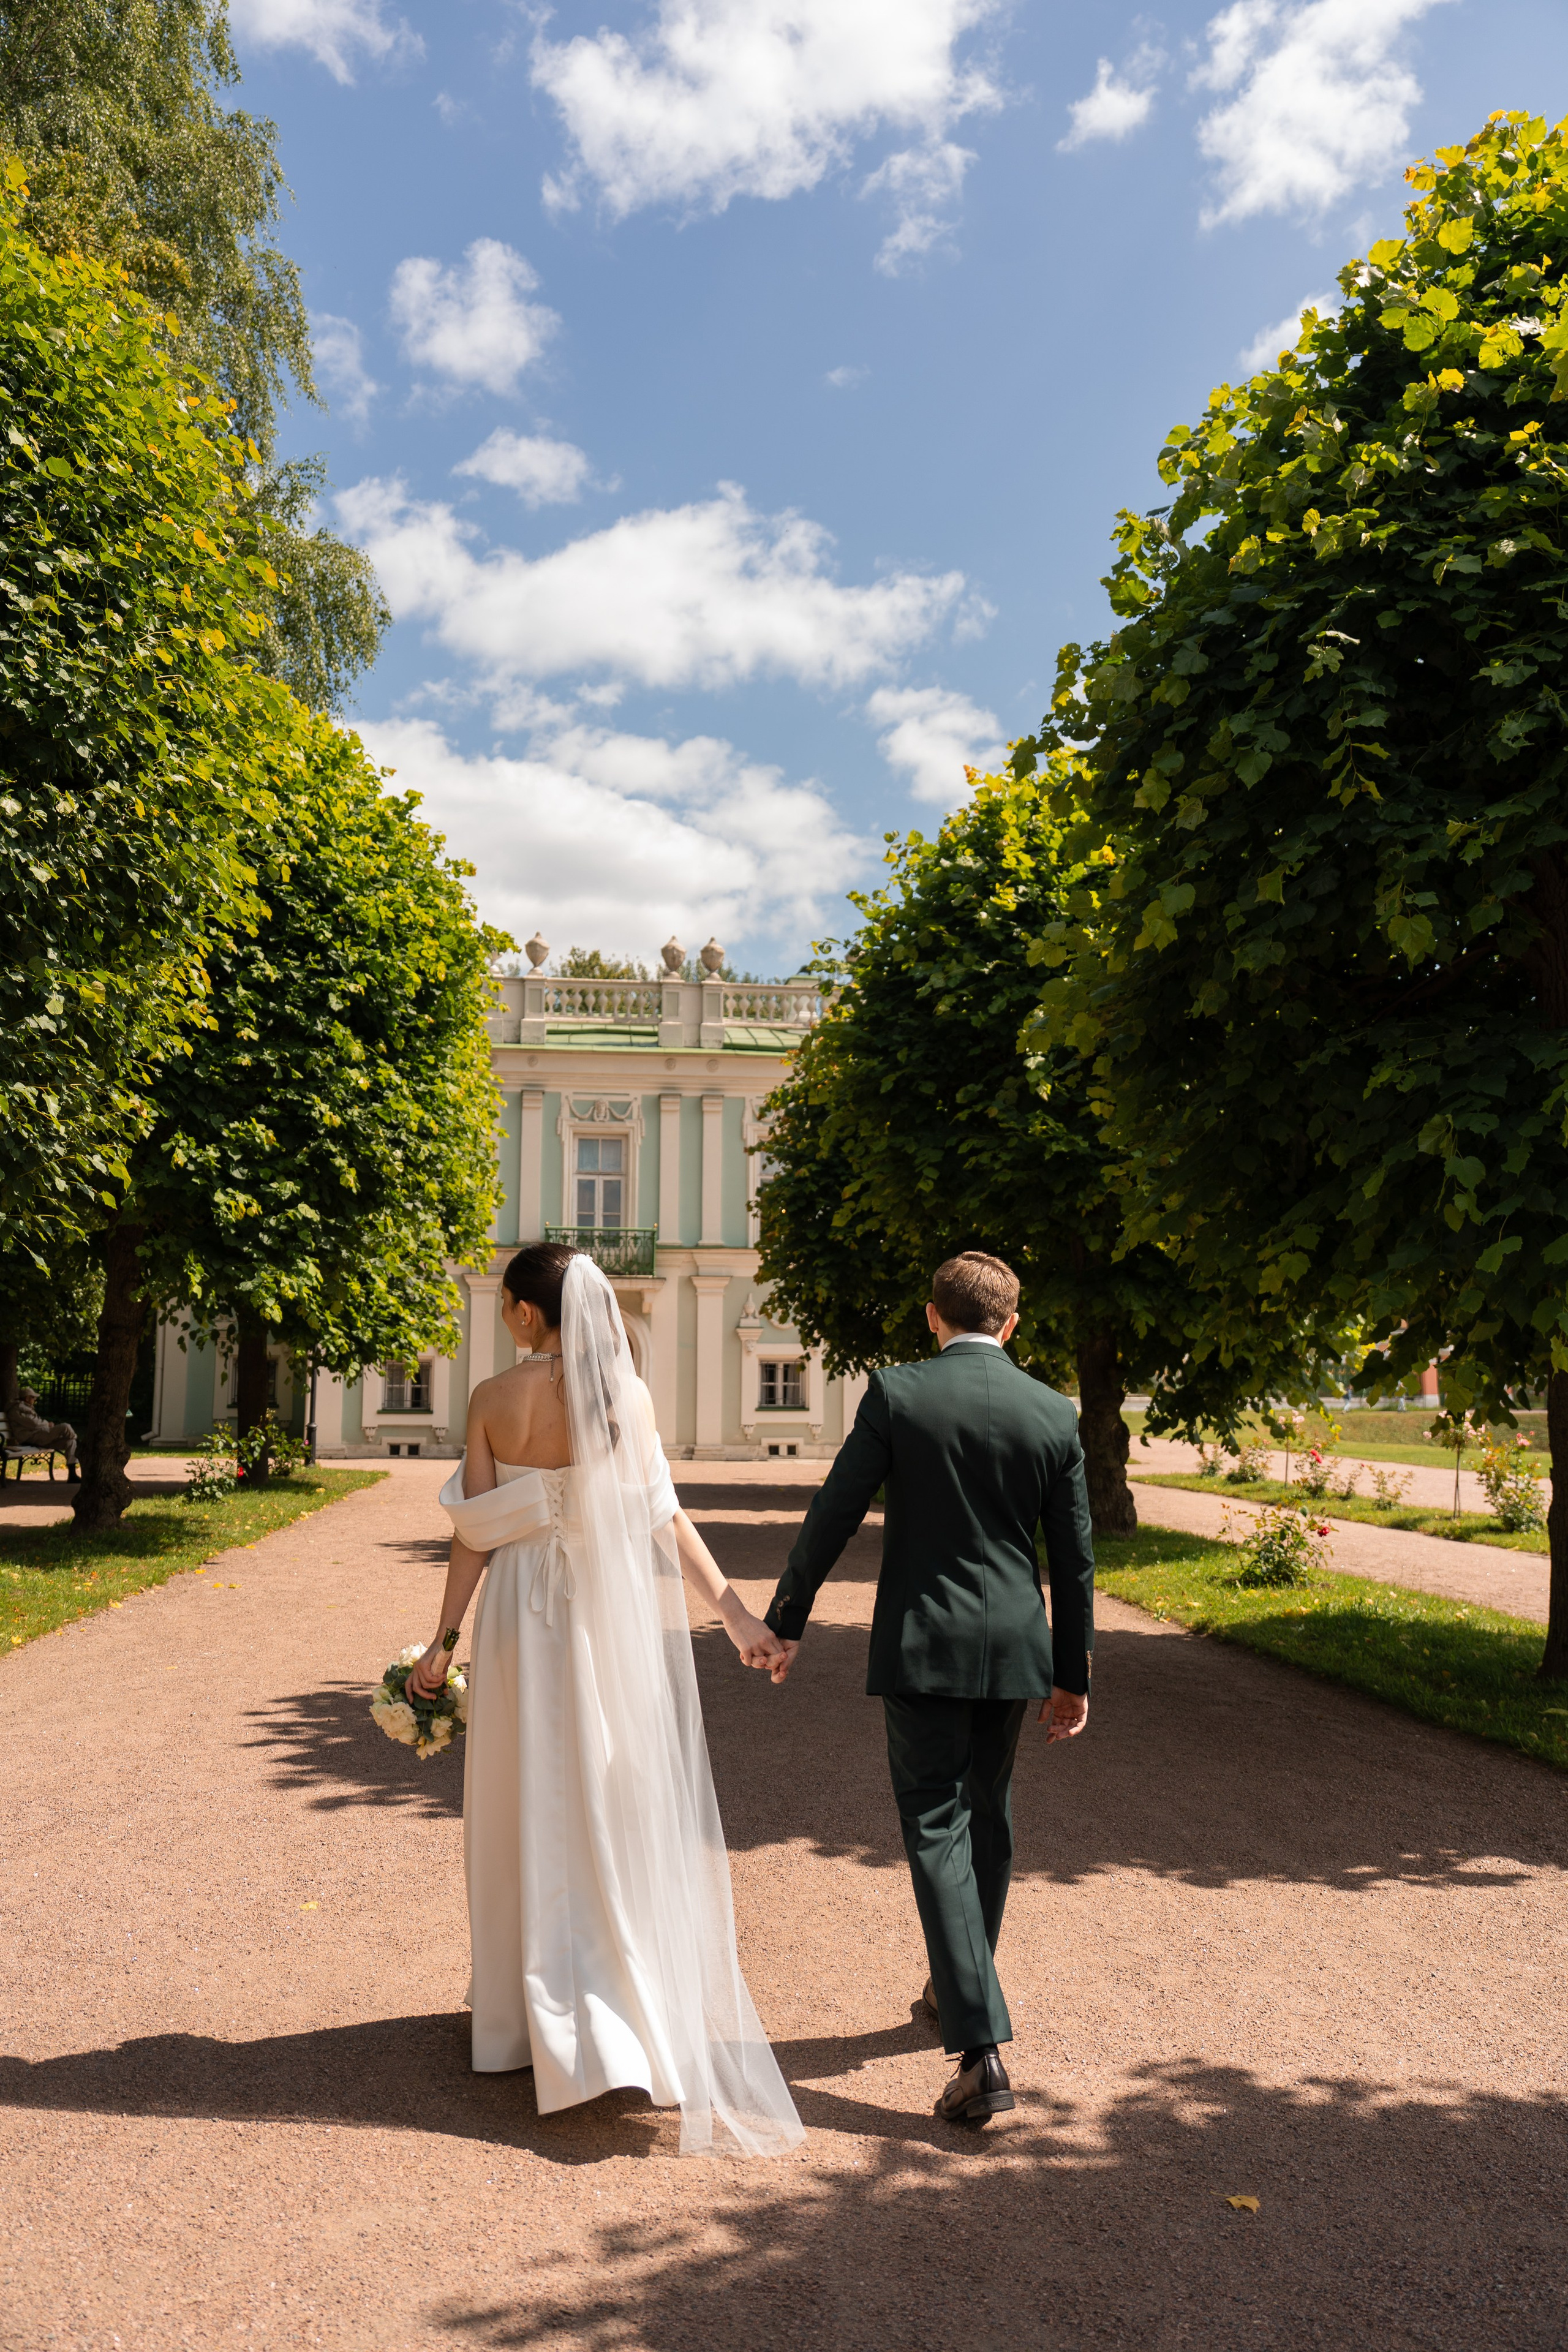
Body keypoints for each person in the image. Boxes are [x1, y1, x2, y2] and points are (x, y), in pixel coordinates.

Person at [407, 1242, 803, 2157]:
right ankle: (624, 2004)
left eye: (509, 1302)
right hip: (605, 1621)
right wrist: (739, 1616)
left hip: (519, 1622)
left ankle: (519, 2018)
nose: (505, 1315)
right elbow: (665, 1516)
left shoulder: (493, 1401)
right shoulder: (627, 1396)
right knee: (613, 1796)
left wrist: (443, 1641)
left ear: (526, 1313)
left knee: (522, 1794)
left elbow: (473, 1535)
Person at [761, 1250, 1095, 2128]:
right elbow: (1076, 1556)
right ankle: (958, 1995)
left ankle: (980, 2049)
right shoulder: (1053, 1413)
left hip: (924, 1644)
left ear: (931, 1316)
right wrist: (1074, 1675)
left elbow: (835, 1509)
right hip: (1015, 1649)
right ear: (1012, 1325)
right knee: (989, 1817)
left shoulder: (899, 1393)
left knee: (938, 1824)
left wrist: (788, 1617)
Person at [6, 1389, 79, 1480]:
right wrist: (48, 1424)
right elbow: (34, 1424)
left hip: (40, 1437)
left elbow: (36, 1424)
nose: (35, 1400)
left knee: (70, 1442)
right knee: (65, 1426)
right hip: (31, 1438)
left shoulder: (24, 1407)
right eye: (33, 1397)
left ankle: (72, 1475)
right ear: (27, 1398)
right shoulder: (17, 1409)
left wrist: (46, 1425)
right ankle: (79, 1442)